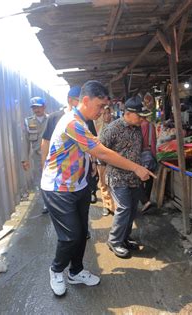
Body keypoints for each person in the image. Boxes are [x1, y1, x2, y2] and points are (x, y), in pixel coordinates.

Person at [41, 81, 154, 296]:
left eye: (104, 107)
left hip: (79, 185)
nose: (103, 111)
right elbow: (101, 152)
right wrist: (136, 167)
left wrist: (91, 168)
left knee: (82, 233)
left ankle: (76, 271)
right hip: (58, 188)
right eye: (100, 106)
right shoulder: (72, 123)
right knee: (70, 236)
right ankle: (56, 270)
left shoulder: (84, 122)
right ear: (85, 100)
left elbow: (89, 152)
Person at [100, 95, 152, 258]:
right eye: (139, 116)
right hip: (117, 177)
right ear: (128, 113)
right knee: (124, 208)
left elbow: (138, 151)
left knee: (132, 209)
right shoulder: (112, 129)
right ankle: (114, 241)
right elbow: (100, 152)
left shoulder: (137, 129)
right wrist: (101, 176)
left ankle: (124, 238)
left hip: (133, 177)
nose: (142, 120)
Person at [21, 96, 49, 212]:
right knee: (40, 180)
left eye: (38, 107)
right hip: (37, 157)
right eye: (34, 108)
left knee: (53, 179)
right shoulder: (29, 122)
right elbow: (25, 141)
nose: (36, 110)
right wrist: (25, 159)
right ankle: (46, 203)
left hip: (52, 156)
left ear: (44, 107)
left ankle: (55, 200)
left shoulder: (51, 119)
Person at [96, 106, 116, 216]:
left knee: (113, 183)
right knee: (103, 184)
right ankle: (106, 205)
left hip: (113, 159)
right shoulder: (98, 127)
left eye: (108, 113)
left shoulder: (116, 126)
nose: (107, 116)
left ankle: (113, 206)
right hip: (101, 160)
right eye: (104, 113)